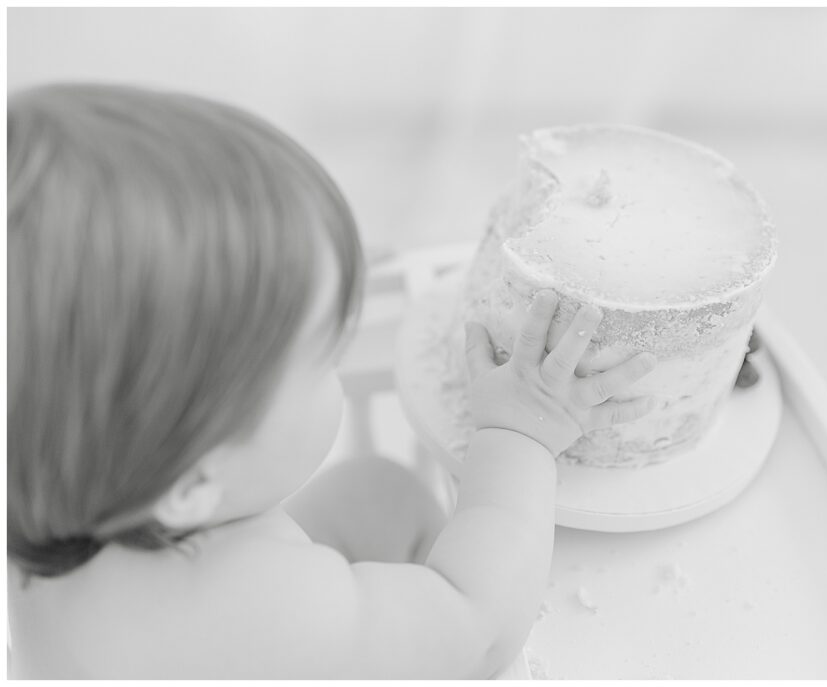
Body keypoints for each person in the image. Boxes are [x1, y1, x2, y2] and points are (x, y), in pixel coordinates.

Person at [6, 83, 658, 678]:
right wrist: (520, 433)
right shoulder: (275, 611)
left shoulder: (49, 515)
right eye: (324, 354)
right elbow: (482, 636)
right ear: (195, 482)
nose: (342, 359)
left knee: (378, 493)